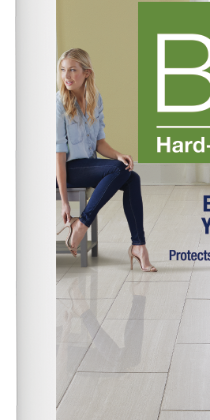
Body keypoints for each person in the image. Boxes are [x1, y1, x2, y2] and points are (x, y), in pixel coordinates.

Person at [56, 48, 156, 271]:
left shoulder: (94, 99)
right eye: (63, 70)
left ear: (87, 73)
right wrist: (64, 202)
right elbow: (59, 155)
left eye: (72, 70)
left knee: (132, 177)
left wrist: (118, 154)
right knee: (120, 169)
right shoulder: (58, 104)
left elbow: (99, 143)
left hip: (85, 166)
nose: (66, 76)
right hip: (63, 169)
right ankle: (81, 224)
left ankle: (139, 246)